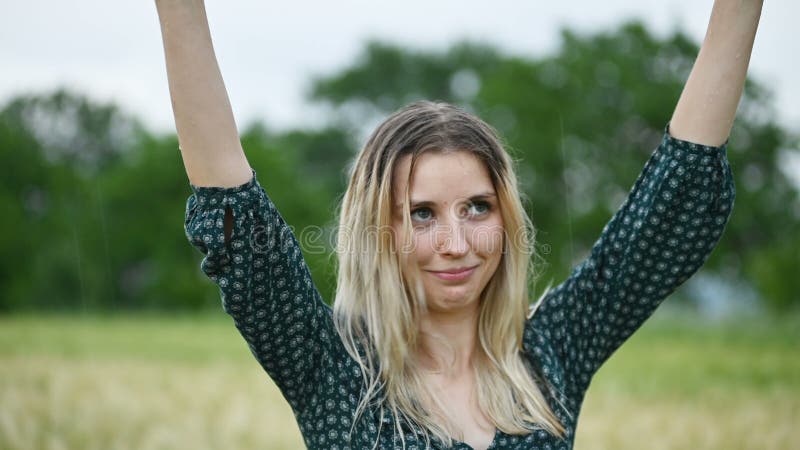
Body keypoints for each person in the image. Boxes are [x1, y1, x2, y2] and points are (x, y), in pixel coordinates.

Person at [155, 1, 763, 449]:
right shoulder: (331, 368)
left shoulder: (549, 353)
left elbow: (673, 203)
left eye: (478, 207)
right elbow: (230, 200)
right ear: (379, 230)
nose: (456, 244)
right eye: (422, 214)